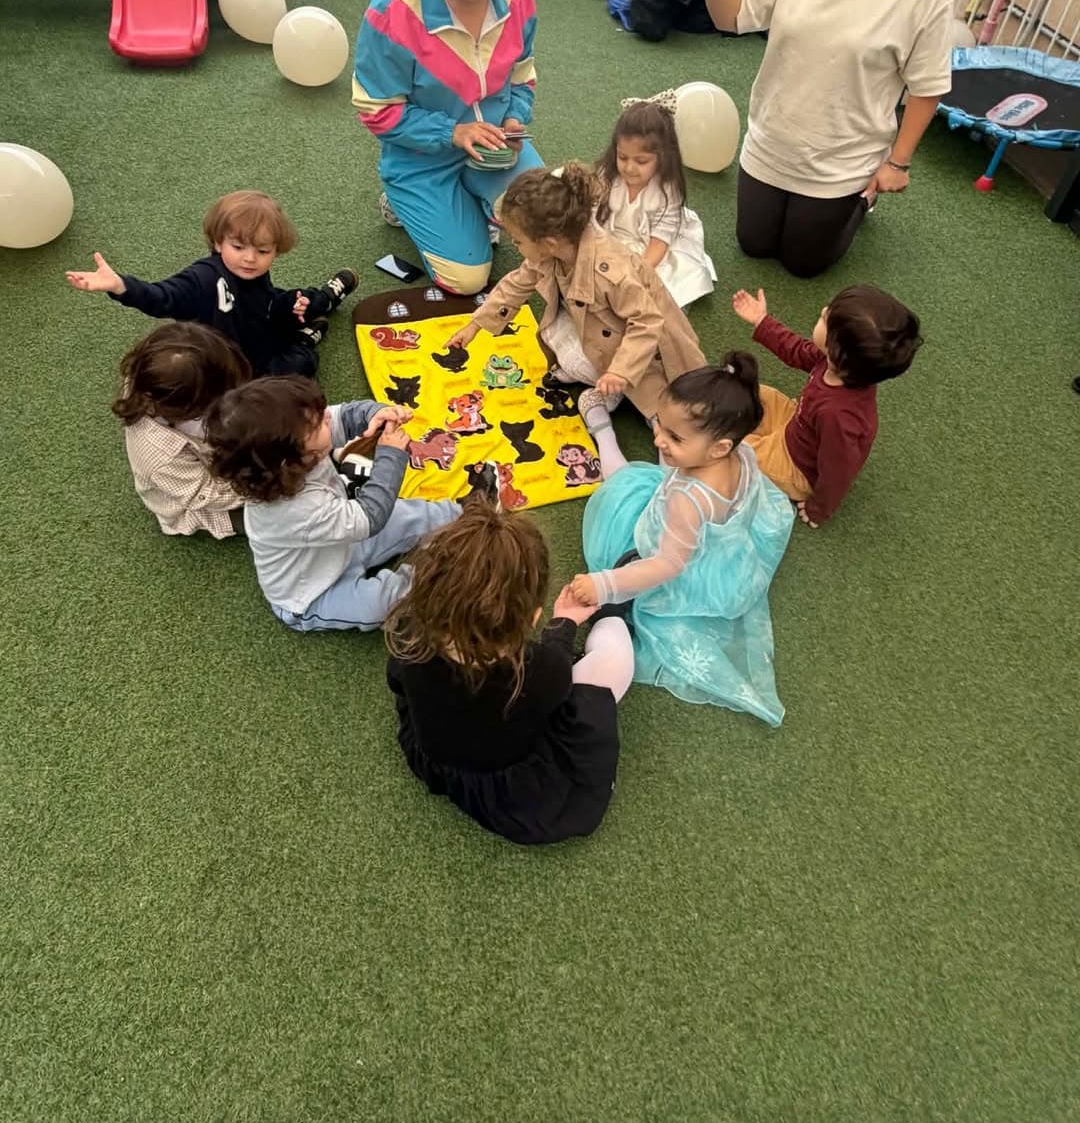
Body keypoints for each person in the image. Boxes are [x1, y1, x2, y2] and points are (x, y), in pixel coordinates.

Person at [687, 0, 953, 277]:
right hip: (772, 143)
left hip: (841, 161)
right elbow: (732, 16)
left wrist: (897, 163)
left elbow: (927, 86)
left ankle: (860, 202)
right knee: (753, 244)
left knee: (803, 263)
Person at [385, 500, 632, 845]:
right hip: (513, 792)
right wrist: (563, 623)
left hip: (438, 759)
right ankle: (614, 614)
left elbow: (397, 681)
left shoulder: (409, 635)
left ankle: (613, 617)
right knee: (611, 666)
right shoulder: (536, 670)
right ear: (533, 618)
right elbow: (558, 675)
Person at [572, 357, 795, 725]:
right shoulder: (740, 453)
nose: (658, 439)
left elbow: (666, 564)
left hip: (676, 557)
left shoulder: (685, 500)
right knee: (646, 479)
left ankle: (603, 434)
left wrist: (603, 583)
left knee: (621, 490)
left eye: (675, 438)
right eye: (660, 423)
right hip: (719, 560)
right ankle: (605, 434)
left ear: (719, 448)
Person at [352, 0, 542, 294]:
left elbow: (522, 75)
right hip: (421, 161)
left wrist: (513, 119)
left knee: (549, 227)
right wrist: (453, 132)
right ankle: (402, 202)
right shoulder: (394, 12)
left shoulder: (518, 0)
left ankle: (480, 202)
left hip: (496, 150)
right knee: (468, 278)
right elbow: (377, 111)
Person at [446, 162, 705, 424]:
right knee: (554, 335)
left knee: (671, 416)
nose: (515, 245)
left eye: (518, 240)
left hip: (648, 350)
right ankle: (608, 380)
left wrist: (620, 371)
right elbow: (516, 284)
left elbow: (648, 322)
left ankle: (622, 387)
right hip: (602, 327)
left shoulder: (610, 271)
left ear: (548, 243)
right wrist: (475, 325)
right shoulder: (553, 251)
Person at [205, 376, 458, 631]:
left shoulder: (296, 448)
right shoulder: (292, 510)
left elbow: (345, 416)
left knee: (407, 514)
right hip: (315, 592)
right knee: (379, 604)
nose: (327, 417)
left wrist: (375, 413)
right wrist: (390, 456)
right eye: (317, 424)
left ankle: (462, 515)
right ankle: (436, 585)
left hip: (343, 542)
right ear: (293, 460)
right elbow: (372, 516)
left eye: (319, 413)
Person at [66, 190, 357, 377]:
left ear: (276, 251)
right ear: (218, 242)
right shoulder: (202, 278)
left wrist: (292, 305)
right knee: (298, 367)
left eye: (263, 251)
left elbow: (267, 299)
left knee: (297, 298)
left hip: (264, 316)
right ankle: (306, 339)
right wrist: (120, 285)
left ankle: (325, 298)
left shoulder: (253, 273)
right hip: (243, 361)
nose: (250, 259)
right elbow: (161, 296)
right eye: (239, 247)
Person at [731, 283, 922, 526]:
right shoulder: (836, 364)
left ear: (837, 349)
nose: (822, 310)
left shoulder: (839, 415)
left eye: (826, 318)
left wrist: (818, 508)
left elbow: (837, 472)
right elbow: (797, 351)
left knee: (738, 450)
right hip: (797, 425)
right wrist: (762, 321)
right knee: (754, 393)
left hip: (797, 465)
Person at [112, 322, 250, 539]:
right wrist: (265, 485)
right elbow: (206, 495)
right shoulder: (160, 456)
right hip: (197, 504)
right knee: (269, 518)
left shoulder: (152, 377)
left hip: (213, 454)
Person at [593, 93, 717, 307]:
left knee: (659, 291)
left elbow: (659, 243)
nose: (629, 167)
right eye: (622, 157)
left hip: (651, 248)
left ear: (663, 157)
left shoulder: (667, 192)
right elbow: (593, 217)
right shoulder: (608, 176)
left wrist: (637, 272)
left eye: (641, 161)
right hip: (611, 240)